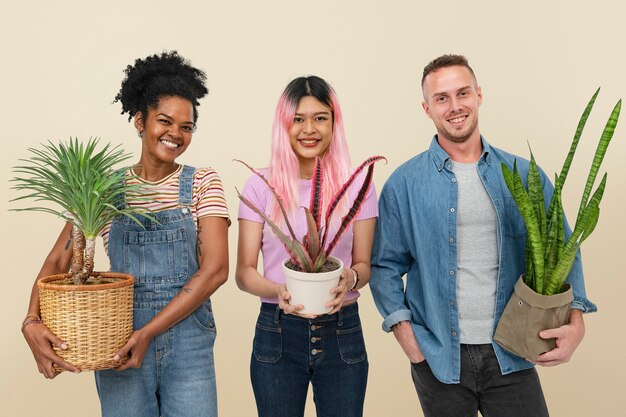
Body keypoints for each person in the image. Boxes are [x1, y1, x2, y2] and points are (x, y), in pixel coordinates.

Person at [369, 54, 596, 417]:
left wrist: (577, 323)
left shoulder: (524, 175)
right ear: (427, 108)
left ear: (479, 95)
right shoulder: (404, 183)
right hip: (439, 354)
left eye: (463, 93)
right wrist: (409, 339)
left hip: (513, 350)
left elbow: (564, 250)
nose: (455, 106)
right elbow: (383, 266)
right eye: (441, 98)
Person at [21, 51, 230, 417]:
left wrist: (148, 332)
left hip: (188, 342)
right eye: (165, 121)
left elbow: (215, 270)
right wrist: (30, 321)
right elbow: (59, 259)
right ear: (138, 120)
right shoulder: (103, 190)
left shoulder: (202, 182)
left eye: (187, 127)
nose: (176, 134)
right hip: (117, 337)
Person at [236, 76, 377, 417]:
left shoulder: (358, 184)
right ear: (284, 124)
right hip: (278, 330)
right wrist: (278, 290)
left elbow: (363, 264)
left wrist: (350, 280)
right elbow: (244, 273)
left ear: (334, 122)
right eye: (298, 119)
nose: (309, 129)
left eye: (320, 118)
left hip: (341, 327)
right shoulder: (260, 185)